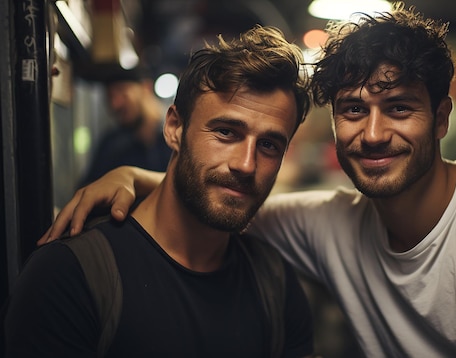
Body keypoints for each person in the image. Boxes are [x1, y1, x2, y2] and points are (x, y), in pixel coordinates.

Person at [40, 3, 456, 357]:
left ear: (442, 118)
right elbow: (222, 193)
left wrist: (134, 175)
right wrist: (133, 177)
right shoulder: (329, 222)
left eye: (399, 108)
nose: (373, 133)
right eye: (353, 110)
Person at [5, 25, 314, 357]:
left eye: (268, 145)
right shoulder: (71, 276)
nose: (246, 165)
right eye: (226, 132)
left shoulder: (275, 282)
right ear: (174, 129)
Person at [78, 63, 172, 187]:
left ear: (146, 88)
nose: (115, 104)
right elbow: (88, 189)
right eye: (110, 97)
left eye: (122, 91)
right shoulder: (111, 144)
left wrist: (132, 177)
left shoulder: (177, 136)